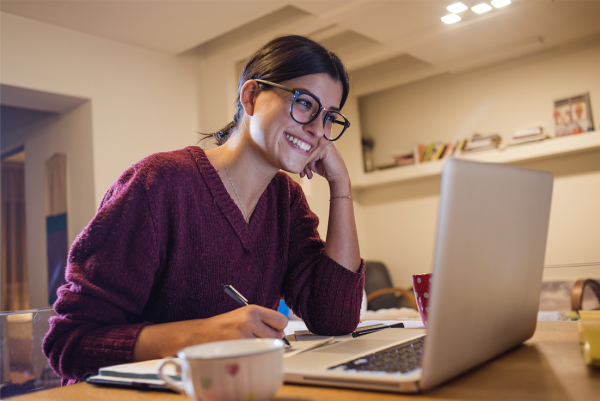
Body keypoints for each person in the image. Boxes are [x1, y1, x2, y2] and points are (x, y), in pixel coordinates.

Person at [43, 35, 364, 385]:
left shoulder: (286, 202)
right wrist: (201, 336)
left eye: (330, 118)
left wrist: (341, 186)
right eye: (305, 103)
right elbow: (70, 343)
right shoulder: (159, 183)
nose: (318, 130)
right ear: (251, 96)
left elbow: (335, 318)